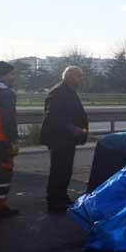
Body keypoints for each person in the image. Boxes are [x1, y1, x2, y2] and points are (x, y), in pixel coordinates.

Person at [39, 66, 88, 213]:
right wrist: (72, 128)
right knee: (59, 170)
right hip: (59, 139)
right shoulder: (58, 92)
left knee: (65, 169)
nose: (81, 79)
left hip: (67, 139)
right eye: (79, 76)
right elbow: (53, 116)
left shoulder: (68, 91)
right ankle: (54, 201)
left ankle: (62, 196)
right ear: (69, 76)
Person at [0, 62, 19, 218]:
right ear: (3, 75)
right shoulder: (5, 93)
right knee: (3, 174)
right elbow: (8, 121)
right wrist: (13, 141)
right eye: (12, 74)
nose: (13, 78)